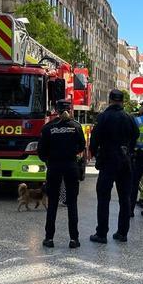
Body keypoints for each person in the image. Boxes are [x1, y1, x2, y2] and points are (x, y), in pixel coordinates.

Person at [88, 89, 139, 243]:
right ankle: (122, 233)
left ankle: (102, 233)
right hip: (125, 162)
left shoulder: (103, 117)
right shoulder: (129, 118)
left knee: (103, 198)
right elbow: (136, 135)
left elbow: (94, 140)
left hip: (108, 162)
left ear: (110, 100)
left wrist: (97, 154)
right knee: (125, 198)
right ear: (122, 101)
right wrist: (128, 150)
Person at [38, 100, 86, 249]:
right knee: (72, 203)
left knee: (52, 203)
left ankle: (49, 238)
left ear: (55, 111)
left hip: (54, 167)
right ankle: (74, 239)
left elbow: (41, 151)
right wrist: (71, 154)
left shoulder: (48, 128)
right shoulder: (76, 126)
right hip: (71, 166)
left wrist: (49, 160)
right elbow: (82, 146)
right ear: (70, 110)